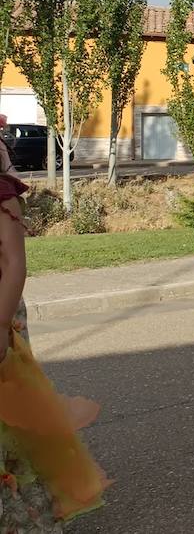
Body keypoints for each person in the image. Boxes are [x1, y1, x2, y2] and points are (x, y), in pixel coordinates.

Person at [0, 143, 110, 529]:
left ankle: (23, 510)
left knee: (12, 413)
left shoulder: (3, 196)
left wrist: (0, 328)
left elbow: (15, 265)